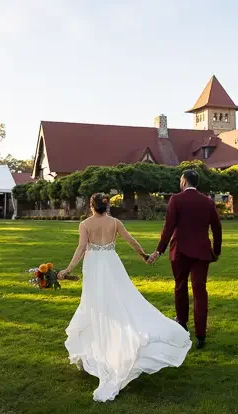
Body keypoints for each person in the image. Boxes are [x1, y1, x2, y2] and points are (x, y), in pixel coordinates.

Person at [58, 193, 191, 402]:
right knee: (121, 300)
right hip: (111, 263)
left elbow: (81, 248)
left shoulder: (85, 224)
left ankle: (102, 349)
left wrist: (67, 269)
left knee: (95, 306)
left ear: (91, 207)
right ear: (107, 205)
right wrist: (144, 255)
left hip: (94, 266)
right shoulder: (115, 222)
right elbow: (131, 240)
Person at [147, 169, 222, 350]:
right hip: (202, 252)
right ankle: (201, 334)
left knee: (180, 286)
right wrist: (216, 251)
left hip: (180, 251)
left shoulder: (176, 200)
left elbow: (168, 227)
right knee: (199, 290)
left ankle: (182, 324)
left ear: (183, 182)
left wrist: (159, 250)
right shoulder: (207, 201)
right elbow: (217, 227)